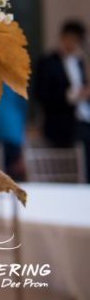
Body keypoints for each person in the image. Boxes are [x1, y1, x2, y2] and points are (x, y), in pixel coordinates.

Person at [33, 19, 90, 181]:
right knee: (68, 170)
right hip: (61, 123)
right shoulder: (48, 62)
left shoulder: (79, 62)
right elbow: (41, 94)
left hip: (83, 120)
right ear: (63, 37)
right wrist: (72, 96)